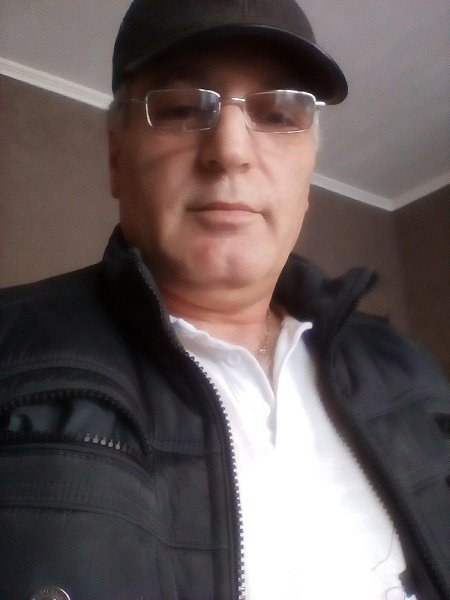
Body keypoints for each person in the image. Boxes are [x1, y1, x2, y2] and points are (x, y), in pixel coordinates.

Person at [0, 1, 448, 599]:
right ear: (117, 158)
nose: (230, 150)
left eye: (279, 113)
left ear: (308, 174)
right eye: (182, 108)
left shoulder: (405, 368)